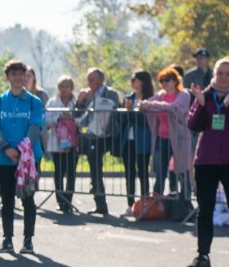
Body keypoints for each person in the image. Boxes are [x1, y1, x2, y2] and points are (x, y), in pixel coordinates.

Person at [186, 57, 229, 267]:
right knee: (205, 209)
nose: (223, 77)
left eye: (228, 73)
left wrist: (228, 106)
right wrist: (201, 105)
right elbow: (193, 125)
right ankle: (202, 256)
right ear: (214, 74)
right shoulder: (204, 94)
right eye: (220, 73)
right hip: (206, 160)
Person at [0, 59, 45, 254]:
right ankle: (7, 240)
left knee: (28, 199)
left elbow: (35, 127)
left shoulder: (34, 102)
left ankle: (28, 241)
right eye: (14, 74)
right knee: (7, 199)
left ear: (25, 76)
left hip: (28, 159)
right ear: (7, 77)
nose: (18, 77)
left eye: (21, 74)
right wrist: (6, 149)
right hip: (5, 158)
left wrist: (20, 151)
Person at [138, 68, 193, 199]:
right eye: (161, 80)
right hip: (161, 139)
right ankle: (157, 203)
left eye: (167, 80)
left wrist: (152, 104)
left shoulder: (183, 94)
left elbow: (174, 107)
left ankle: (186, 202)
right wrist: (144, 104)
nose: (164, 83)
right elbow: (144, 104)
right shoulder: (161, 95)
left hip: (179, 140)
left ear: (175, 81)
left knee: (182, 172)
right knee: (160, 174)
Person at [74, 67, 120, 215]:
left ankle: (97, 192)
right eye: (88, 79)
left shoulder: (111, 93)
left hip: (107, 135)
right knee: (79, 152)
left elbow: (110, 107)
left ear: (101, 80)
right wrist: (80, 101)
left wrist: (94, 98)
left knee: (94, 156)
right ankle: (97, 197)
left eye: (92, 79)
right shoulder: (86, 94)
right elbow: (78, 114)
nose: (89, 82)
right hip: (91, 134)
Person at [44, 76, 80, 213]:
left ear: (71, 87)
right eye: (62, 86)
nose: (64, 89)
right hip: (56, 143)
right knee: (59, 171)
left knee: (71, 172)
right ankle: (60, 200)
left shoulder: (77, 102)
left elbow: (83, 119)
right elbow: (46, 120)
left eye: (67, 86)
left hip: (72, 143)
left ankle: (68, 201)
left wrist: (72, 119)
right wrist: (59, 118)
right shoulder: (52, 102)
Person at [121, 70, 154, 212]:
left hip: (143, 139)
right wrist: (127, 111)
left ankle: (144, 202)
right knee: (129, 173)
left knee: (143, 172)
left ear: (143, 81)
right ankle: (130, 204)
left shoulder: (150, 98)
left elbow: (146, 121)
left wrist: (136, 112)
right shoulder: (129, 97)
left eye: (135, 79)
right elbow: (122, 120)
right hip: (128, 139)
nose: (132, 81)